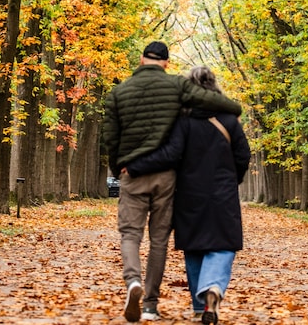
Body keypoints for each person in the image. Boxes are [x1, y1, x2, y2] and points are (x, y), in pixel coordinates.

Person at [102, 42, 243, 322]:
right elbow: (220, 106)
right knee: (159, 240)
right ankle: (150, 305)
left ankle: (133, 281)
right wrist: (232, 107)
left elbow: (110, 138)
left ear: (142, 59)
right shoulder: (176, 86)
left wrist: (119, 168)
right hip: (166, 175)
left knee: (130, 234)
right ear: (166, 62)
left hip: (133, 173)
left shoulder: (118, 92)